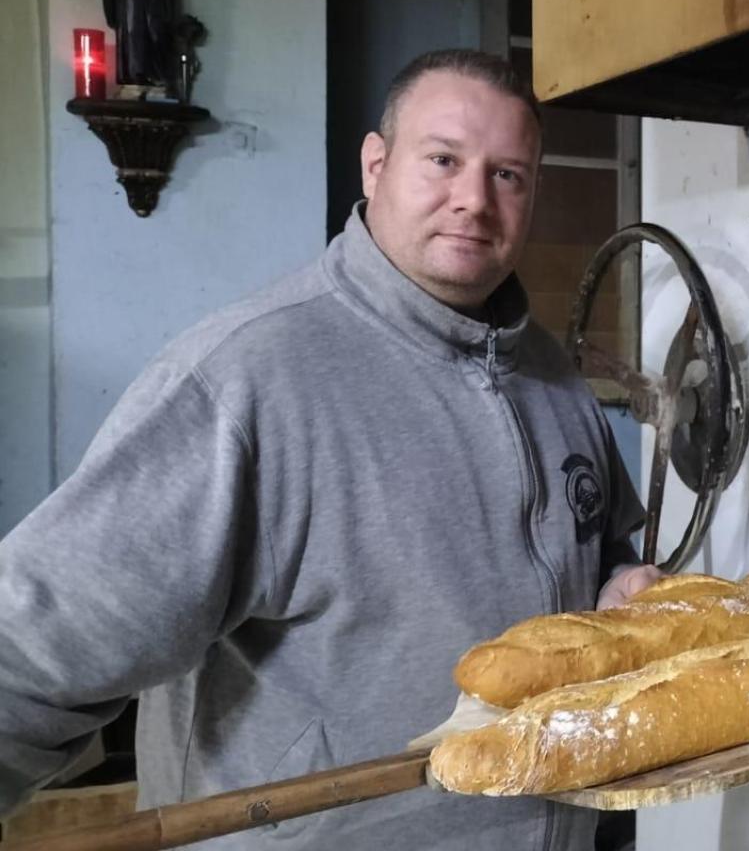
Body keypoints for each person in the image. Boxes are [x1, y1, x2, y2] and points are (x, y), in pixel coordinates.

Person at [0, 49, 660, 849]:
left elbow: (601, 555)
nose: (474, 201)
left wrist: (622, 585)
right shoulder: (247, 379)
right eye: (443, 160)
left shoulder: (553, 378)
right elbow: (30, 650)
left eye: (507, 175)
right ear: (376, 165)